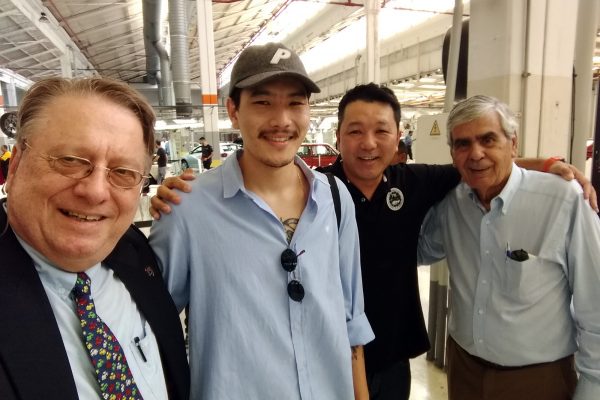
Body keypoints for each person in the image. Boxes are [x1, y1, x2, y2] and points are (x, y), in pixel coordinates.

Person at [152, 83, 598, 400]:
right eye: (354, 131)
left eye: (381, 131)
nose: (368, 144)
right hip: (328, 358)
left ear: (398, 137)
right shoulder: (319, 192)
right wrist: (188, 192)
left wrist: (551, 165)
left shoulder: (416, 182)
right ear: (337, 137)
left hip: (395, 357)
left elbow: (479, 165)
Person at [148, 42, 374, 400]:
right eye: (263, 102)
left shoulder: (335, 198)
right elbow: (150, 330)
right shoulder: (188, 209)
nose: (282, 120)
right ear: (233, 111)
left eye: (295, 103)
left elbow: (351, 320)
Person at [0, 77, 189, 400]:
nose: (96, 192)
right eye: (70, 161)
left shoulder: (133, 250)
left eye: (123, 172)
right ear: (16, 165)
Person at [418, 95, 600, 400]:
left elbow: (595, 304)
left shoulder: (563, 201)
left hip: (537, 380)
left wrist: (592, 388)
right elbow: (420, 250)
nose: (476, 153)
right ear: (453, 154)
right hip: (464, 371)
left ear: (512, 144)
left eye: (488, 139)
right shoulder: (452, 203)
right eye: (463, 144)